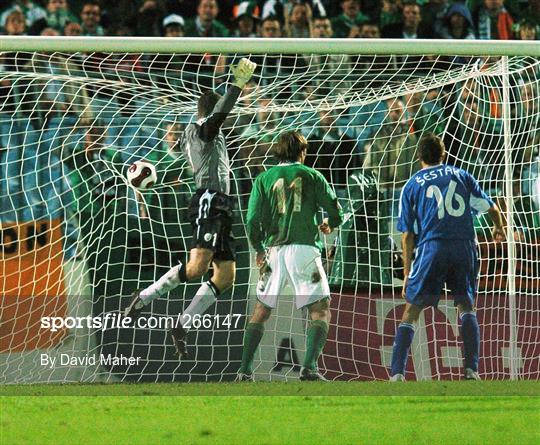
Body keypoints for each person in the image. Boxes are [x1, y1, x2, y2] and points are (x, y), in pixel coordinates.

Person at [124, 58, 257, 358]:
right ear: (210, 113)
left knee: (225, 276)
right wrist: (236, 85)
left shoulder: (196, 133)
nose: (228, 119)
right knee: (197, 268)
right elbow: (218, 118)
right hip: (210, 200)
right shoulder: (201, 129)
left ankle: (182, 326)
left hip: (220, 204)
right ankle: (141, 299)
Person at [389, 133, 505, 382]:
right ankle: (471, 370)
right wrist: (499, 227)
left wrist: (408, 272)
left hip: (433, 247)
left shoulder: (412, 185)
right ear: (444, 155)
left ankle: (397, 373)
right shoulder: (461, 175)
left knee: (411, 309)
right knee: (466, 305)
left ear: (418, 157)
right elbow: (492, 208)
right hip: (464, 247)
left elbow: (407, 235)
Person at [238, 131, 344, 381]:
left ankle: (244, 370)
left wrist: (259, 249)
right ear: (302, 152)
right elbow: (335, 208)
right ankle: (309, 368)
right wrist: (331, 222)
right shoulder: (312, 175)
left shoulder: (263, 178)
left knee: (261, 310)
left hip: (273, 250)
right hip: (304, 250)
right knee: (320, 310)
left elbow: (252, 220)